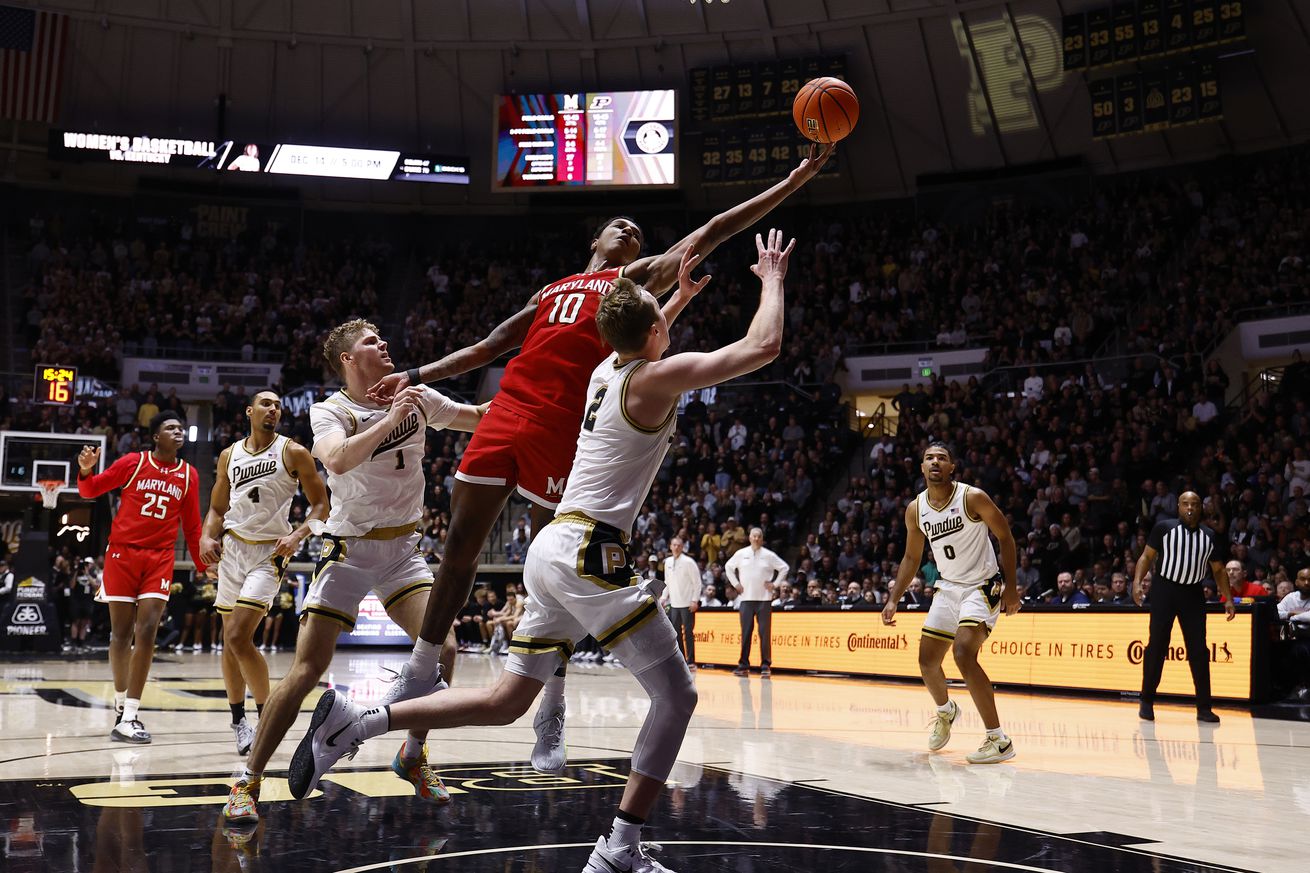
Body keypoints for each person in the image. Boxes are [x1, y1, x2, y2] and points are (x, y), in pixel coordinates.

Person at [289, 229, 796, 873]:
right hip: (588, 551)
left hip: (549, 552)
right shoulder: (650, 375)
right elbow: (764, 345)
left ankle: (358, 724)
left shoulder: (606, 371)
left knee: (506, 699)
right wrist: (772, 277)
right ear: (655, 339)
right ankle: (620, 847)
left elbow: (632, 336)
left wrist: (675, 305)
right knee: (678, 698)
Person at [369, 146, 832, 776]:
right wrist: (417, 373)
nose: (631, 230)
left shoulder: (631, 286)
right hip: (510, 411)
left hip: (566, 433)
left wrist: (793, 180)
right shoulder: (554, 290)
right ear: (595, 237)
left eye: (639, 232)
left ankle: (549, 704)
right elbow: (487, 346)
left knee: (550, 578)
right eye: (621, 225)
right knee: (459, 549)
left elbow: (716, 230)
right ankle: (417, 678)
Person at [221, 319, 484, 825]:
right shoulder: (331, 411)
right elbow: (337, 461)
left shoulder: (419, 395)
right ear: (347, 359)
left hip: (403, 552)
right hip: (348, 550)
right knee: (306, 671)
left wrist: (536, 401)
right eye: (371, 342)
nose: (384, 345)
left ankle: (412, 756)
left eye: (385, 339)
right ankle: (248, 779)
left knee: (444, 649)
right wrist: (391, 420)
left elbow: (477, 417)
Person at [198, 390, 329, 756]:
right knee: (230, 639)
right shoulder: (229, 455)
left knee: (239, 637)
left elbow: (322, 505)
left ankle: (268, 713)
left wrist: (299, 534)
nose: (274, 409)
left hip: (270, 551)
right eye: (266, 404)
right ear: (249, 411)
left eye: (278, 406)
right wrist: (208, 536)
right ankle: (240, 720)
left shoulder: (294, 452)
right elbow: (216, 508)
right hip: (232, 549)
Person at [881, 442, 1021, 764]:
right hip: (948, 588)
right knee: (927, 660)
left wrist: (1011, 588)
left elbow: (1005, 537)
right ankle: (946, 711)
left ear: (952, 467)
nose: (935, 462)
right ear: (921, 467)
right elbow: (912, 557)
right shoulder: (915, 509)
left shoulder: (972, 497)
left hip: (982, 586)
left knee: (962, 654)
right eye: (929, 458)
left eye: (941, 458)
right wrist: (893, 599)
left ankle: (998, 739)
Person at [77, 413, 207, 743]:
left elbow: (192, 526)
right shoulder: (133, 462)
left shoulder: (189, 475)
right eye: (170, 428)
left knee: (147, 629)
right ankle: (121, 704)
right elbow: (91, 490)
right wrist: (85, 470)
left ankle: (132, 713)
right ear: (155, 437)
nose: (178, 432)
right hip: (122, 554)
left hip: (160, 558)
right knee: (120, 634)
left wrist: (203, 566)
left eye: (180, 429)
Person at [1133, 491, 1235, 723]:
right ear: (1178, 506)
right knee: (1157, 645)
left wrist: (1227, 598)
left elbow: (1218, 570)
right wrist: (1137, 582)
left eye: (1195, 504)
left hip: (1193, 593)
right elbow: (1146, 557)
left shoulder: (1209, 535)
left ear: (1201, 508)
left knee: (1199, 650)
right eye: (1185, 504)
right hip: (1164, 590)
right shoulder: (1163, 528)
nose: (1190, 508)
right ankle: (1146, 700)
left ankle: (1204, 708)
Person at [725, 527, 789, 677]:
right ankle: (743, 665)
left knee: (764, 634)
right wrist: (735, 584)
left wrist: (775, 584)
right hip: (746, 599)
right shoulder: (741, 554)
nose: (756, 539)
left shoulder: (769, 555)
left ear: (762, 538)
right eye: (754, 536)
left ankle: (765, 665)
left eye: (759, 536)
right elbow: (728, 567)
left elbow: (784, 568)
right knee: (746, 633)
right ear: (749, 538)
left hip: (764, 600)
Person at [662, 537, 702, 669]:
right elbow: (666, 582)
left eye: (679, 545)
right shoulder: (667, 562)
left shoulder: (689, 562)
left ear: (683, 547)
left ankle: (691, 660)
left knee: (689, 633)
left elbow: (697, 582)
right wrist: (663, 597)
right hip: (674, 604)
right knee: (676, 633)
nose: (676, 547)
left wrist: (695, 600)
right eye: (674, 545)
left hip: (687, 603)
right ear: (670, 546)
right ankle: (682, 659)